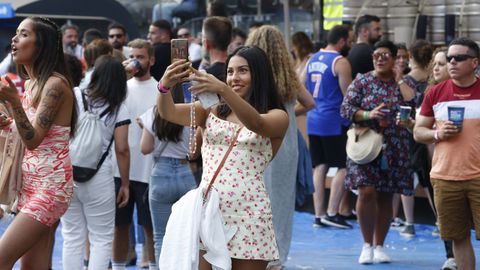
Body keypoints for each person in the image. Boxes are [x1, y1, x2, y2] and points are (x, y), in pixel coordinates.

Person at [157, 46, 288, 269]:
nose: (234, 78)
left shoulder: (278, 116)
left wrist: (223, 89)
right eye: (230, 72)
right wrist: (164, 86)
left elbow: (256, 123)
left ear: (259, 74)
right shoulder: (212, 109)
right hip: (210, 212)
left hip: (249, 215)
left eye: (242, 71)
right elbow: (168, 112)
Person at [0, 16, 76, 269]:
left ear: (40, 44)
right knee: (33, 266)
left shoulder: (55, 85)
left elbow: (33, 139)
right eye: (17, 33)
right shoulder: (32, 83)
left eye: (23, 34)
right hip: (30, 186)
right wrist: (7, 122)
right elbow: (27, 132)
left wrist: (12, 102)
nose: (14, 39)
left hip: (50, 188)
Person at [246, 25, 315, 270]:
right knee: (281, 203)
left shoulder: (251, 75)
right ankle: (277, 257)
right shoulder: (288, 75)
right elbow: (309, 102)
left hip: (256, 143)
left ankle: (256, 253)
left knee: (256, 200)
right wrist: (289, 114)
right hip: (286, 144)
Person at [341, 40, 415, 264]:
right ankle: (366, 245)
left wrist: (400, 77)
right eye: (376, 55)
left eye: (385, 55)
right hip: (366, 144)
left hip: (395, 145)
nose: (380, 58)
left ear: (394, 58)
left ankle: (380, 245)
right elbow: (346, 109)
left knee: (386, 194)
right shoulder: (362, 81)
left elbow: (414, 102)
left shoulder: (401, 83)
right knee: (367, 191)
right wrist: (367, 115)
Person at [414, 37, 480, 270]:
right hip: (445, 177)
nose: (452, 62)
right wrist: (437, 134)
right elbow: (418, 131)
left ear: (474, 63)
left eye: (458, 58)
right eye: (449, 58)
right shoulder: (436, 93)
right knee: (458, 237)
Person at [61, 55, 131, 270]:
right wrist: (125, 184)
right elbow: (122, 149)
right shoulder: (119, 108)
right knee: (101, 238)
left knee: (72, 237)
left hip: (67, 172)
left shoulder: (74, 95)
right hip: (99, 175)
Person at [112, 39, 158, 270]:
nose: (135, 61)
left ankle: (153, 266)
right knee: (120, 226)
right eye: (132, 56)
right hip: (120, 169)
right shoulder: (120, 89)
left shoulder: (161, 90)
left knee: (150, 228)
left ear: (151, 59)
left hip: (149, 169)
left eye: (140, 56)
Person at [139, 86, 196, 265]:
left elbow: (145, 148)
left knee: (160, 236)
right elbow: (194, 152)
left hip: (161, 175)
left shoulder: (153, 113)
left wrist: (145, 127)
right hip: (185, 172)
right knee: (189, 236)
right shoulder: (191, 112)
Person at [305, 25, 353, 229]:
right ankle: (332, 213)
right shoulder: (340, 62)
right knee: (344, 165)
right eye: (349, 40)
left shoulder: (312, 58)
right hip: (332, 120)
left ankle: (318, 214)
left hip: (313, 118)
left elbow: (302, 85)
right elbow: (349, 94)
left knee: (320, 165)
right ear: (341, 41)